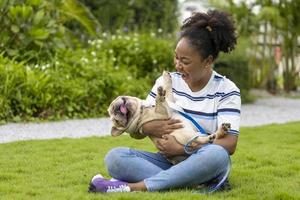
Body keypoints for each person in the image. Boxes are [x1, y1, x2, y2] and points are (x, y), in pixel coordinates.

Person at [89, 9, 241, 193]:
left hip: (203, 158)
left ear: (207, 61)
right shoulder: (166, 82)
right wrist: (149, 127)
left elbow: (229, 144)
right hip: (167, 160)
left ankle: (133, 187)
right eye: (176, 57)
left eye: (185, 61)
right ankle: (190, 181)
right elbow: (143, 119)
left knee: (217, 154)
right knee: (115, 157)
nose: (178, 64)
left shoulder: (226, 90)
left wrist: (182, 148)